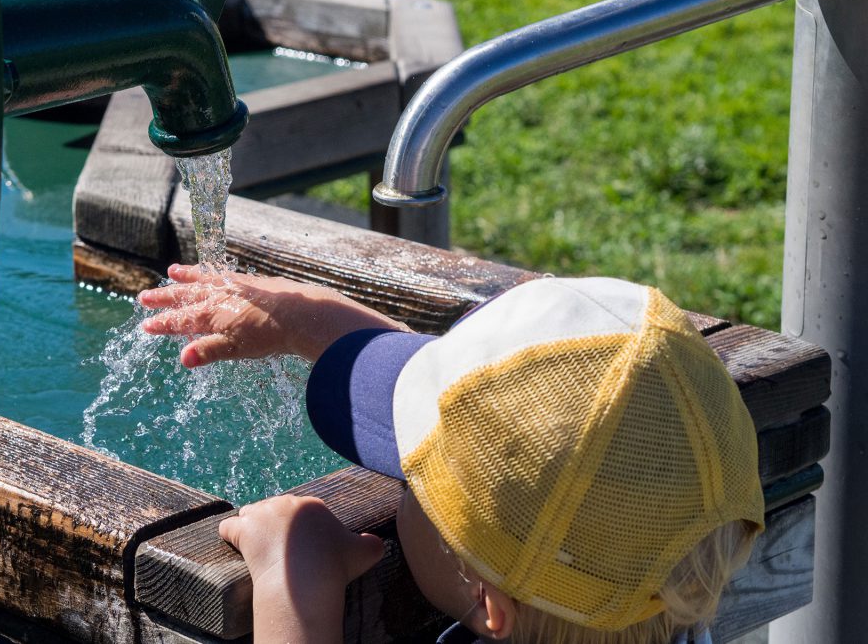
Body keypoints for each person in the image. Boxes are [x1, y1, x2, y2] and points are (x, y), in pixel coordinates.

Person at [139, 264, 764, 644]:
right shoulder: (663, 603)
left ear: (491, 601)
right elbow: (499, 415)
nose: (401, 476)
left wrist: (289, 582)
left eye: (412, 475)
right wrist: (311, 322)